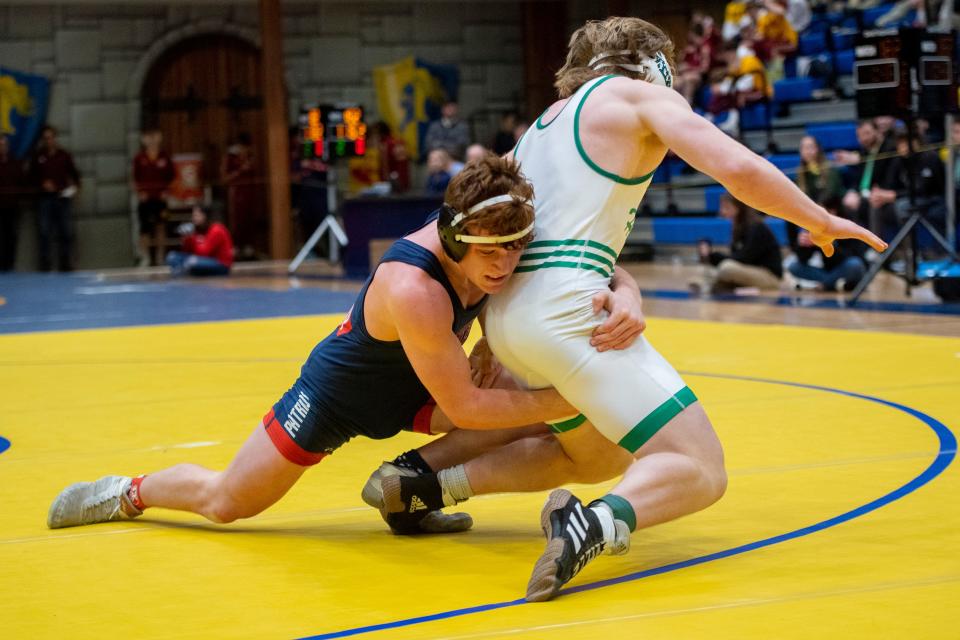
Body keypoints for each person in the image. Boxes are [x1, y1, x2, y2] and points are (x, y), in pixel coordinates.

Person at [371, 16, 886, 602]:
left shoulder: (541, 126)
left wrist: (495, 332)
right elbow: (736, 168)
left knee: (596, 453)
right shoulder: (638, 94)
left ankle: (427, 485)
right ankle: (592, 524)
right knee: (700, 467)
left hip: (513, 312)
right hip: (567, 311)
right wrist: (817, 220)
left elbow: (523, 235)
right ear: (648, 62)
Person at [46, 156, 647, 535]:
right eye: (490, 255)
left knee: (538, 417)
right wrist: (575, 396)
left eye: (514, 252)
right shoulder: (412, 286)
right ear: (452, 234)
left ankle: (410, 493)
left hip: (419, 383)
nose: (505, 266)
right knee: (229, 502)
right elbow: (466, 409)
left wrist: (629, 294)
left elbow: (592, 264)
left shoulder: (502, 235)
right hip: (339, 393)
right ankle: (127, 493)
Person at [696, 194, 783, 293]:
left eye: (726, 207)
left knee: (727, 268)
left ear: (738, 208)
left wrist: (713, 256)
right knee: (712, 269)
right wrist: (708, 256)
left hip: (769, 276)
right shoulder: (738, 227)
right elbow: (736, 257)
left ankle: (713, 285)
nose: (722, 211)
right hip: (751, 270)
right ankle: (714, 285)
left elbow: (743, 258)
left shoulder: (756, 227)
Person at [788, 197, 867, 291]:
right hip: (829, 270)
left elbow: (851, 255)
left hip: (846, 266)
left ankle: (826, 283)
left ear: (833, 211)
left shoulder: (848, 224)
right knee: (794, 266)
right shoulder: (817, 225)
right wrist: (802, 245)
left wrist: (824, 243)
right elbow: (803, 259)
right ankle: (829, 282)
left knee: (855, 264)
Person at [30, 125, 80, 272]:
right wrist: (42, 184)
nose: (48, 141)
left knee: (65, 231)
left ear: (55, 138)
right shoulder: (38, 156)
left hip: (62, 198)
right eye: (45, 138)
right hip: (44, 199)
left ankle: (65, 264)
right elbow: (30, 177)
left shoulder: (64, 155)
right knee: (44, 232)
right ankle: (45, 265)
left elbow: (75, 176)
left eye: (51, 137)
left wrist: (75, 189)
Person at [133, 129, 175, 267]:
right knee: (144, 229)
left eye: (154, 136)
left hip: (161, 200)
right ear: (143, 139)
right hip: (146, 199)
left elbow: (173, 177)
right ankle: (145, 257)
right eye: (148, 137)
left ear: (159, 137)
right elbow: (134, 178)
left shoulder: (165, 157)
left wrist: (167, 192)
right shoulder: (139, 158)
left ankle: (160, 257)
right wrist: (140, 193)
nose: (151, 140)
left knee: (161, 227)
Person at [165, 205, 234, 277]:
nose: (194, 219)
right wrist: (186, 238)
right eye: (193, 216)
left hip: (221, 264)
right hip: (201, 260)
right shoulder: (197, 229)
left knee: (191, 262)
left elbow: (203, 253)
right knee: (172, 256)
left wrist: (192, 237)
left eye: (197, 216)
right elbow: (187, 251)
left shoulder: (216, 230)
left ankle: (185, 276)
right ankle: (182, 277)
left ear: (205, 216)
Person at [0, 135, 25, 271]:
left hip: (12, 206)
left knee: (11, 236)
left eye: (4, 145)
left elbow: (22, 182)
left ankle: (9, 265)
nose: (2, 147)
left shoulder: (15, 163)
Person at [796, 135, 844, 205]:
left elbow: (831, 192)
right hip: (813, 209)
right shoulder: (801, 172)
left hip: (832, 206)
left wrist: (818, 206)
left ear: (818, 149)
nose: (808, 151)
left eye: (810, 147)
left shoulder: (829, 167)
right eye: (804, 148)